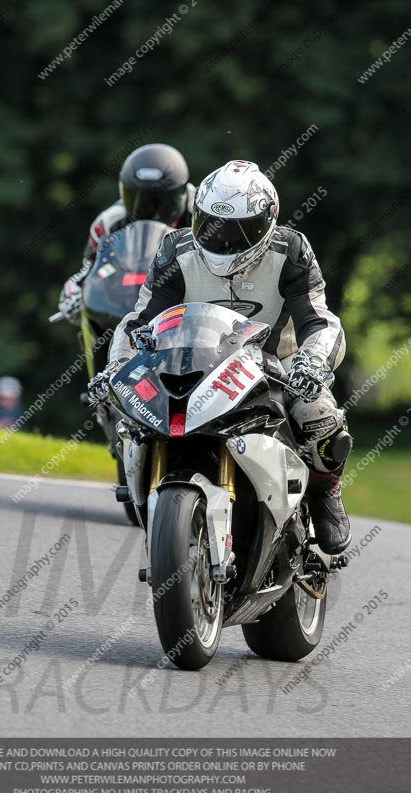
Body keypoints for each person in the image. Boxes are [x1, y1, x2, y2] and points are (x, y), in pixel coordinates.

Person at [92, 160, 352, 555]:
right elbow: (139, 321)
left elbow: (319, 321)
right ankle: (151, 498)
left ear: (267, 223)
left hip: (275, 370)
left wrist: (311, 362)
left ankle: (325, 493)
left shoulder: (291, 250)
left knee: (318, 415)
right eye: (212, 225)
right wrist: (117, 367)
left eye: (238, 230)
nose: (223, 240)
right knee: (132, 416)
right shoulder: (175, 249)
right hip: (193, 365)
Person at [58, 143, 195, 325]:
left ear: (182, 193)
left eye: (159, 200)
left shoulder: (202, 213)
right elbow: (89, 270)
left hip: (189, 307)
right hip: (128, 309)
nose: (147, 208)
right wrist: (75, 293)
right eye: (136, 198)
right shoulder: (109, 222)